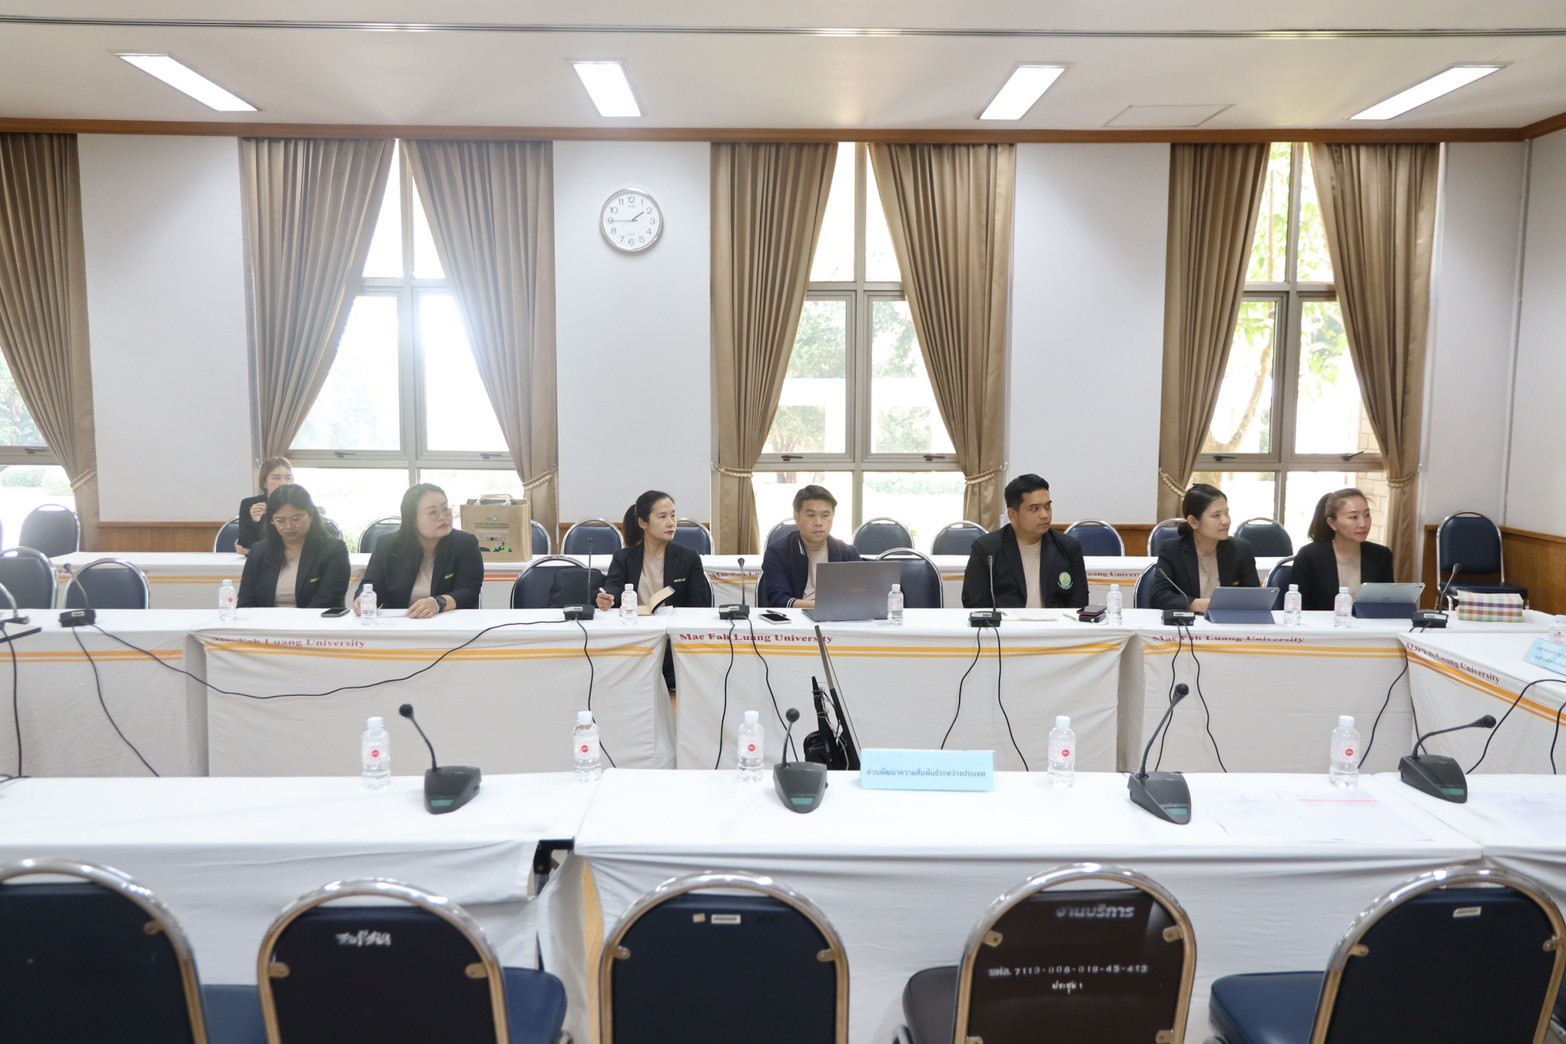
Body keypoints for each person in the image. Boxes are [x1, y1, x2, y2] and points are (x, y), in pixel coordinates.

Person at [960, 474, 1088, 610]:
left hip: (1057, 623)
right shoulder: (986, 548)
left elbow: (1079, 603)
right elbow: (974, 602)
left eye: (1047, 506)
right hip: (1006, 623)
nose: (1044, 515)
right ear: (1012, 514)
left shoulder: (1068, 547)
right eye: (1035, 508)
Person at [355, 483, 483, 618]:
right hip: (400, 622)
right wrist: (363, 598)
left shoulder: (465, 543)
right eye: (432, 512)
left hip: (448, 622)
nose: (442, 516)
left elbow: (469, 591)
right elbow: (371, 584)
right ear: (412, 520)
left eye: (445, 509)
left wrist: (438, 603)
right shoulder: (387, 544)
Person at [594, 491, 713, 614]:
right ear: (643, 523)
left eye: (673, 515)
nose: (671, 523)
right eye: (662, 517)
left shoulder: (688, 558)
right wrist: (607, 598)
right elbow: (614, 587)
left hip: (673, 624)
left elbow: (700, 607)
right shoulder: (623, 558)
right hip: (634, 622)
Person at [1151, 482, 1260, 613]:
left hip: (1228, 623)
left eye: (1226, 513)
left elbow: (1255, 597)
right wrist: (1199, 605)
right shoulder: (1171, 550)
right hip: (1189, 623)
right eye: (1216, 515)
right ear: (1193, 522)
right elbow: (1160, 597)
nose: (1225, 521)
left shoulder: (1241, 549)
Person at [236, 484, 349, 608]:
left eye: (296, 519)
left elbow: (328, 600)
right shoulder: (259, 551)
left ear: (311, 515)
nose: (288, 526)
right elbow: (245, 602)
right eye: (280, 521)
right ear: (271, 520)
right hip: (266, 620)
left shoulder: (333, 550)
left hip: (314, 619)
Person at [1289, 488, 1394, 611]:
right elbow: (1298, 608)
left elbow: (1387, 604)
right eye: (1353, 517)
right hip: (1321, 623)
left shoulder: (1381, 555)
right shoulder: (1310, 556)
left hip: (1368, 623)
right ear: (1332, 523)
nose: (1363, 524)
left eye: (1367, 515)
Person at [759, 484, 860, 609]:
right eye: (811, 515)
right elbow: (779, 600)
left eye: (825, 515)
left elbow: (861, 595)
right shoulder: (777, 553)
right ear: (796, 517)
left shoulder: (847, 553)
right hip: (795, 617)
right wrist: (823, 607)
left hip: (838, 617)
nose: (818, 522)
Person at [235, 456, 292, 556]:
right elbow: (244, 544)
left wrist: (250, 551)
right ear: (264, 482)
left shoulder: (300, 504)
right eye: (276, 478)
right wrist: (255, 522)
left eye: (288, 478)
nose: (283, 483)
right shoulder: (250, 504)